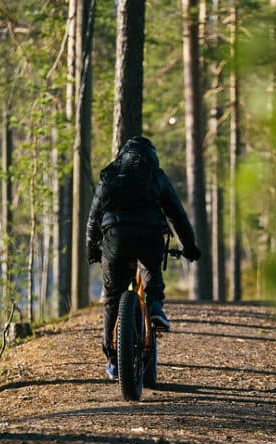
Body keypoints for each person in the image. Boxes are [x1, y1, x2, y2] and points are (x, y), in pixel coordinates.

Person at [86, 136, 201, 380]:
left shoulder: (110, 174)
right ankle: (156, 307)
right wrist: (189, 247)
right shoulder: (156, 176)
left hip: (115, 239)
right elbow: (177, 215)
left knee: (113, 298)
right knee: (151, 271)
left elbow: (93, 217)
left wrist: (92, 249)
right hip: (150, 237)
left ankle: (113, 359)